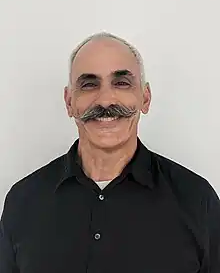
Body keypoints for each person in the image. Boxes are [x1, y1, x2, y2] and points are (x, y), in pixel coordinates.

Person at [0, 32, 219, 273]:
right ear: (69, 102)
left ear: (145, 98)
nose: (105, 100)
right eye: (89, 84)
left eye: (122, 83)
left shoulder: (197, 201)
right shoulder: (23, 201)